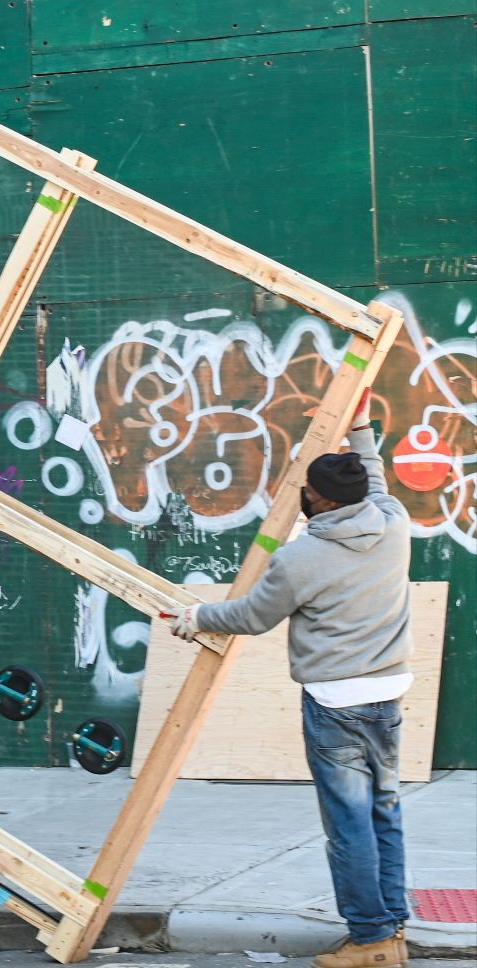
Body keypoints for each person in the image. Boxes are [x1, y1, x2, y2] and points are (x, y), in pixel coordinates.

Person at [171, 404, 412, 968]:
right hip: (388, 693)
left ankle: (371, 938)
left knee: (348, 826)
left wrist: (197, 617)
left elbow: (252, 616)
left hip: (336, 703)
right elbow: (373, 479)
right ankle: (390, 928)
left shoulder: (303, 557)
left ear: (323, 502)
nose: (303, 498)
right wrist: (360, 430)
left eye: (309, 491)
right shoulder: (393, 523)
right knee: (385, 811)